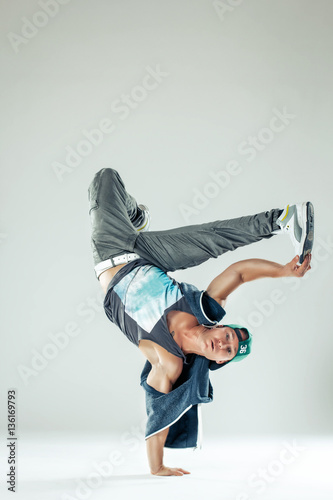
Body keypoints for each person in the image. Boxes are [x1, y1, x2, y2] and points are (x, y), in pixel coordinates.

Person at [87, 167, 314, 477]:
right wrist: (284, 271)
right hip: (149, 255)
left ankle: (132, 220)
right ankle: (282, 218)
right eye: (229, 337)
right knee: (212, 237)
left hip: (111, 254)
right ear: (221, 327)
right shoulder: (202, 309)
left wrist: (157, 468)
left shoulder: (170, 363)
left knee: (105, 180)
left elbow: (158, 416)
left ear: (216, 360)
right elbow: (239, 272)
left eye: (227, 350)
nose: (223, 343)